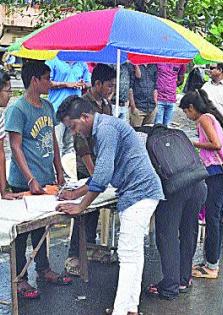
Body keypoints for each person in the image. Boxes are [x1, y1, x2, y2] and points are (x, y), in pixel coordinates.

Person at [55, 96, 164, 315]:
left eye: (74, 126)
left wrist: (80, 207)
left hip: (139, 192)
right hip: (139, 192)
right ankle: (130, 308)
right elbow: (102, 174)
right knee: (133, 254)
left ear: (85, 117)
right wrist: (75, 193)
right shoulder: (104, 126)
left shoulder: (105, 129)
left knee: (127, 254)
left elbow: (102, 176)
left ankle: (121, 310)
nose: (74, 132)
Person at [5, 61, 72, 299]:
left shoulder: (47, 107)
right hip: (24, 181)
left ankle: (43, 268)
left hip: (46, 178)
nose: (50, 83)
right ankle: (20, 278)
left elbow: (52, 139)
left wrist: (59, 169)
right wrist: (30, 178)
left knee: (43, 227)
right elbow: (16, 146)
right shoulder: (18, 109)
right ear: (34, 80)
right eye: (46, 78)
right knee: (22, 232)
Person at [64, 64, 116, 276]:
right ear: (97, 84)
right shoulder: (83, 104)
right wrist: (94, 172)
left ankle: (89, 248)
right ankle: (74, 254)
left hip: (101, 163)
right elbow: (81, 141)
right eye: (109, 85)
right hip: (86, 164)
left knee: (95, 208)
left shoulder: (106, 104)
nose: (111, 89)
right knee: (83, 210)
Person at [179, 90, 223, 279]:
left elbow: (216, 144)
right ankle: (209, 261)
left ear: (192, 108)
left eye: (186, 112)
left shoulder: (203, 119)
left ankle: (211, 266)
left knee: (213, 219)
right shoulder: (211, 117)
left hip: (216, 173)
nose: (187, 116)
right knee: (214, 219)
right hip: (220, 173)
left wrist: (194, 143)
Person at [146, 181, 207, 300]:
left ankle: (170, 285)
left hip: (174, 184)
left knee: (167, 235)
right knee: (188, 231)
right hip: (198, 181)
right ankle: (184, 280)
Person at [46, 57, 91, 155]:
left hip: (75, 110)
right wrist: (66, 84)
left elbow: (89, 82)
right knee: (55, 143)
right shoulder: (53, 60)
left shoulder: (82, 63)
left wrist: (83, 84)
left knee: (71, 145)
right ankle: (55, 169)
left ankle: (66, 169)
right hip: (56, 108)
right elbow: (47, 82)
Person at [0, 70, 23, 200]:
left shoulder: (0, 116)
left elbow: (1, 153)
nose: (10, 95)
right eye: (8, 91)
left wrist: (3, 191)